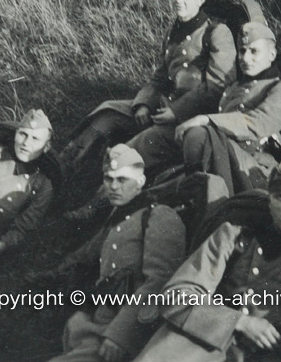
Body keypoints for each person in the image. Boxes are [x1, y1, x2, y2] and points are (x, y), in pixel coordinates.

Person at [56, 0, 236, 198]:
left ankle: (95, 204)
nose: (179, 0)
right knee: (106, 113)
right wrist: (143, 103)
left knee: (131, 151)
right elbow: (161, 76)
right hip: (161, 108)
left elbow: (218, 86)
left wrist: (176, 112)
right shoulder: (174, 31)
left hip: (188, 120)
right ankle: (61, 170)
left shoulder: (216, 33)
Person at [132, 159, 281, 362]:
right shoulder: (234, 238)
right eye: (280, 197)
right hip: (196, 347)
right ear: (269, 202)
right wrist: (240, 322)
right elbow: (175, 296)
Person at [46, 144, 186, 362]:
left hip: (130, 327)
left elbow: (160, 280)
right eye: (108, 179)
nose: (113, 186)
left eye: (122, 180)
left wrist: (121, 335)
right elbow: (89, 252)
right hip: (98, 319)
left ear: (139, 183)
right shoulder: (120, 216)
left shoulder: (158, 215)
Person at [131, 22, 281, 194]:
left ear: (272, 55)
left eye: (254, 51)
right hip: (219, 154)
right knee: (160, 135)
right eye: (242, 51)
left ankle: (207, 198)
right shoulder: (235, 86)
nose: (245, 58)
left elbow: (259, 123)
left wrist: (205, 119)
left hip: (254, 167)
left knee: (198, 134)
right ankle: (121, 169)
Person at [0, 108, 54, 261]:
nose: (26, 143)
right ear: (15, 133)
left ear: (46, 147)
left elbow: (24, 227)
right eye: (23, 134)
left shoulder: (42, 184)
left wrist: (0, 246)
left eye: (35, 139)